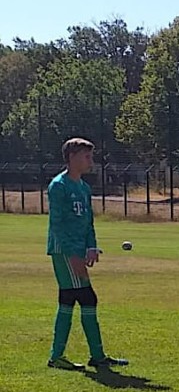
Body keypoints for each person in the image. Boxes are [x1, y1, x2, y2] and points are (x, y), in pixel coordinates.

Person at [46, 138, 128, 371]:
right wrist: (73, 254)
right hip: (64, 251)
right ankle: (71, 356)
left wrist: (91, 247)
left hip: (78, 250)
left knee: (73, 298)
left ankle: (80, 356)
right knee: (82, 298)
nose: (91, 161)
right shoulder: (59, 186)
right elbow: (58, 225)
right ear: (72, 157)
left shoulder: (83, 187)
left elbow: (88, 222)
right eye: (86, 156)